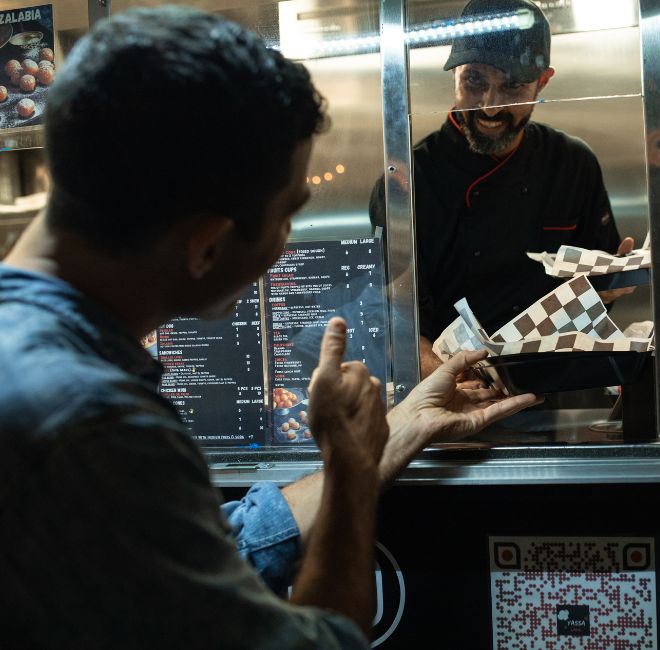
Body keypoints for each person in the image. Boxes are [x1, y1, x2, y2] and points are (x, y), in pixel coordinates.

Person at [0, 6, 535, 648]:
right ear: (206, 243)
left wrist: (386, 438)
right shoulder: (95, 425)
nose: (284, 248)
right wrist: (350, 479)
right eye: (287, 216)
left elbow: (207, 551)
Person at [370, 0, 635, 378]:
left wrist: (610, 286)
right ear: (454, 74)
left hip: (554, 391)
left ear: (543, 81)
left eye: (512, 86)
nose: (490, 107)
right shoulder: (406, 183)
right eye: (474, 81)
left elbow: (592, 293)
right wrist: (446, 383)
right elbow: (397, 316)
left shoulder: (572, 163)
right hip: (451, 393)